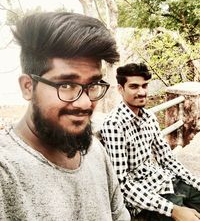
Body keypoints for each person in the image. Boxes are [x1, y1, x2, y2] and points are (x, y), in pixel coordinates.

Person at [0, 12, 131, 221]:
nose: (85, 103)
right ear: (28, 87)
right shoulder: (6, 173)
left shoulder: (95, 152)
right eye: (66, 85)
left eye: (93, 85)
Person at [100, 62, 200, 221]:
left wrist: (196, 182)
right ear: (120, 89)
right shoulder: (115, 125)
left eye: (144, 86)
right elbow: (122, 184)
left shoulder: (149, 118)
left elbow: (168, 159)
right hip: (145, 200)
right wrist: (173, 210)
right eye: (134, 87)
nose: (141, 92)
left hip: (167, 182)